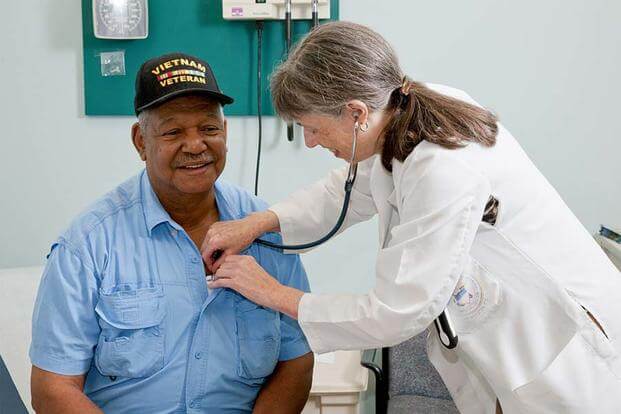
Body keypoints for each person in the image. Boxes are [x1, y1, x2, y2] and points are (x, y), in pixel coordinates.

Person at [201, 22, 621, 413]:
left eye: (313, 127)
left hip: (568, 353)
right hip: (514, 338)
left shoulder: (444, 167)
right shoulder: (402, 111)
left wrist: (274, 293)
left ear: (356, 113)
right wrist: (258, 222)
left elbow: (395, 311)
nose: (310, 142)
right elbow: (343, 193)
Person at [29, 52, 313, 414]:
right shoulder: (88, 244)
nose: (195, 145)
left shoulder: (264, 230)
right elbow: (53, 388)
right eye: (173, 131)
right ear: (140, 142)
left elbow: (296, 360)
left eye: (209, 128)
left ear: (225, 134)